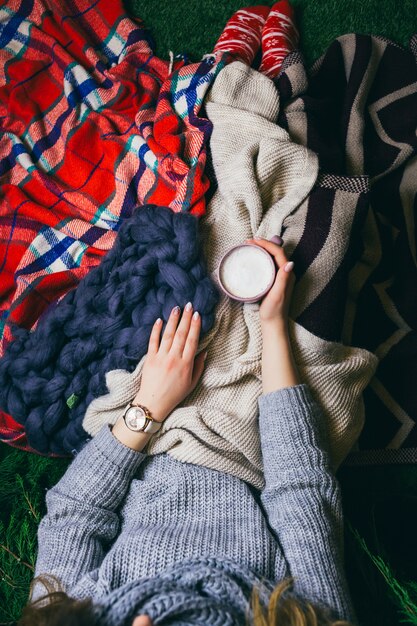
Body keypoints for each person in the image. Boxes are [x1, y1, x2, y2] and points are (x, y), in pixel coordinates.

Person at [18, 238, 357, 626]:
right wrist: (273, 327)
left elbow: (74, 514)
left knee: (183, 259)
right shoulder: (309, 618)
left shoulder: (74, 616)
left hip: (145, 437)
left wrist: (148, 407)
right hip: (257, 447)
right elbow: (303, 495)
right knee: (312, 249)